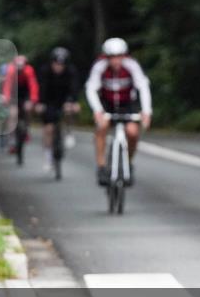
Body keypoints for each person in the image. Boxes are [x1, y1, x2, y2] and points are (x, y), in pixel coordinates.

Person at [85, 38, 152, 186]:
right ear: (107, 57)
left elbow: (143, 87)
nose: (116, 61)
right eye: (112, 57)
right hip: (107, 103)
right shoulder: (100, 67)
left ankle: (128, 162)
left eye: (119, 57)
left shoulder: (132, 65)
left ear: (124, 56)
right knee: (101, 127)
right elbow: (91, 88)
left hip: (128, 103)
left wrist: (146, 111)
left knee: (133, 132)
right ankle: (101, 166)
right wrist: (97, 110)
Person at [36, 47, 81, 171]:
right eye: (56, 64)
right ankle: (48, 156)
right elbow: (41, 88)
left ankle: (69, 131)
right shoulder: (45, 71)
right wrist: (40, 103)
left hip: (65, 99)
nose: (58, 67)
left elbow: (74, 88)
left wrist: (74, 102)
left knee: (68, 109)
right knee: (48, 129)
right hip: (49, 101)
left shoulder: (71, 71)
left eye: (61, 64)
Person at [1, 54, 40, 153]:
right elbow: (7, 86)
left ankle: (27, 128)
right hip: (14, 93)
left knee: (28, 109)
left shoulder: (29, 70)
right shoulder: (10, 70)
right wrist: (6, 98)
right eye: (17, 67)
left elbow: (33, 86)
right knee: (12, 114)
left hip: (25, 93)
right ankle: (12, 138)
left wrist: (33, 100)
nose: (19, 69)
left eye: (21, 67)